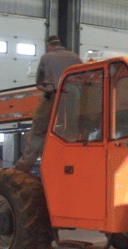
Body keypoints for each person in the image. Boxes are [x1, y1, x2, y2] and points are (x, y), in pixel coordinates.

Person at [14, 35, 81, 172]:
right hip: (74, 99)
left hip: (53, 97)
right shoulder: (75, 57)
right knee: (69, 132)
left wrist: (47, 90)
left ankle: (22, 167)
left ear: (49, 46)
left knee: (38, 131)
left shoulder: (46, 57)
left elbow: (39, 82)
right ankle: (68, 165)